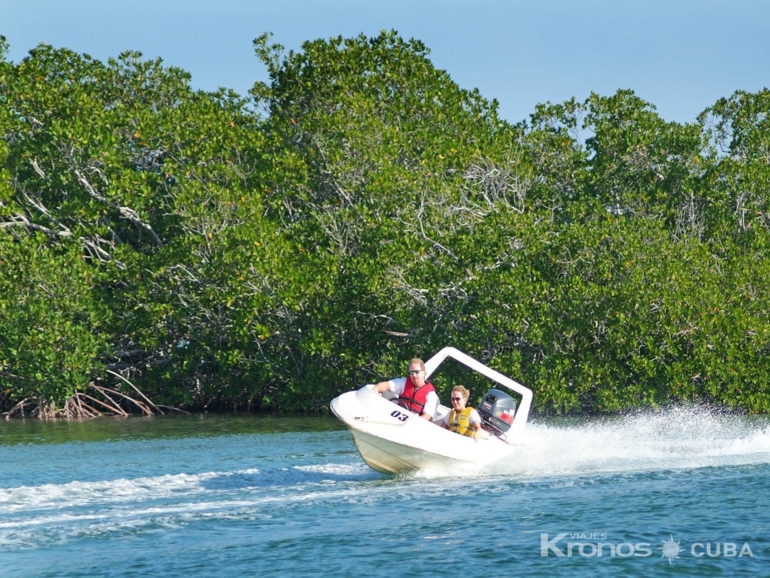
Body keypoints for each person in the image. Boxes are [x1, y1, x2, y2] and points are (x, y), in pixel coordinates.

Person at [371, 358, 439, 420]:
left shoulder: (431, 396)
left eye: (416, 372)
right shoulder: (404, 383)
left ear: (423, 373)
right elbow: (385, 385)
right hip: (396, 418)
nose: (414, 375)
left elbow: (425, 418)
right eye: (411, 373)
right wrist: (375, 389)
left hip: (414, 425)